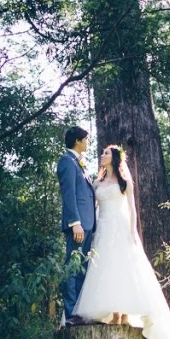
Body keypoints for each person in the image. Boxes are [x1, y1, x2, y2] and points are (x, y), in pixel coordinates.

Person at [72, 144, 170, 339]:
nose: (102, 156)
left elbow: (132, 210)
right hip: (103, 230)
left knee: (123, 268)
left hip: (121, 227)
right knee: (106, 270)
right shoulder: (97, 183)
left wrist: (133, 231)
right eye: (102, 153)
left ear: (114, 158)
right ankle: (113, 315)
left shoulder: (124, 183)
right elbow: (93, 209)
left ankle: (123, 314)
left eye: (105, 153)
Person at [57, 126, 96, 327]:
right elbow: (69, 195)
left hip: (88, 222)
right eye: (87, 139)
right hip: (78, 224)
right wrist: (75, 223)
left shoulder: (78, 162)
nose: (88, 142)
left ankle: (79, 311)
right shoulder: (66, 162)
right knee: (72, 267)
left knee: (82, 267)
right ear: (78, 140)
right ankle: (71, 313)